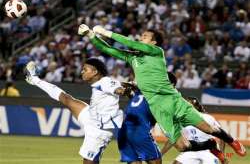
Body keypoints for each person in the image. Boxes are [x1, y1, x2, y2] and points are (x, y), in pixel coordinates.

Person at [77, 24, 246, 156]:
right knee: (182, 146)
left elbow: (132, 43)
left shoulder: (156, 52)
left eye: (145, 36)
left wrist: (108, 33)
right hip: (157, 107)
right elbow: (108, 49)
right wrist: (91, 35)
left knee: (208, 128)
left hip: (173, 100)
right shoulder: (132, 57)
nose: (141, 38)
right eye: (141, 36)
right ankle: (210, 144)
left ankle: (233, 142)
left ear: (153, 42)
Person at [25, 59, 124, 164]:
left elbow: (118, 89)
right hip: (91, 116)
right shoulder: (102, 83)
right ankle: (34, 79)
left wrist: (123, 90)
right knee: (67, 99)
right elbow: (119, 86)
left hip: (99, 130)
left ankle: (34, 79)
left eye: (85, 69)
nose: (82, 72)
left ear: (95, 72)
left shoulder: (106, 81)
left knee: (88, 162)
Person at [162, 96, 228, 164]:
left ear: (196, 107)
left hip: (209, 151)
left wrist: (222, 155)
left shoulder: (208, 118)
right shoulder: (181, 120)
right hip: (190, 151)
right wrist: (161, 153)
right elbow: (173, 139)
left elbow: (221, 135)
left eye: (188, 105)